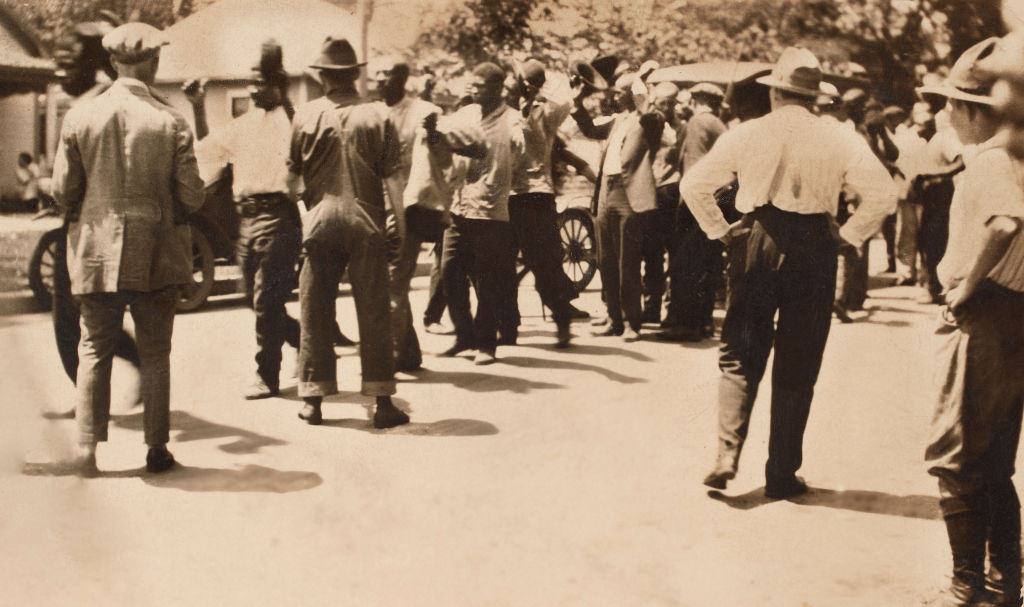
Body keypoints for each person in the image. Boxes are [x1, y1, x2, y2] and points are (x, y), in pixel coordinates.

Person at [680, 47, 896, 498]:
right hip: (815, 245)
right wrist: (850, 235)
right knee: (799, 360)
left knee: (741, 349)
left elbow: (693, 184)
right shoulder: (839, 136)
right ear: (814, 97)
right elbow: (883, 194)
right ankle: (781, 473)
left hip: (758, 236)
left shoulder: (748, 132)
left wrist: (721, 231)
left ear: (776, 92)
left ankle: (726, 453)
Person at [50, 22, 205, 476]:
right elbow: (193, 195)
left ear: (113, 62)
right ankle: (156, 447)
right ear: (154, 63)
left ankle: (87, 450)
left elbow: (63, 191)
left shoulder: (79, 117)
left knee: (93, 348)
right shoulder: (172, 118)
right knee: (156, 352)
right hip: (157, 250)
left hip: (96, 251)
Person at [918, 37, 1024, 607]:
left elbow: (1005, 223)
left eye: (952, 104)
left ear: (975, 110)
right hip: (1016, 313)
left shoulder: (990, 162)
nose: (946, 114)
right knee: (993, 459)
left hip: (984, 314)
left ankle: (967, 585)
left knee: (954, 455)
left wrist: (965, 288)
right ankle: (1007, 580)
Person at [288, 37, 408, 428]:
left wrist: (304, 220)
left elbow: (290, 182)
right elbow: (392, 179)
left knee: (314, 308)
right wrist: (400, 226)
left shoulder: (305, 116)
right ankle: (382, 402)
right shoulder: (379, 115)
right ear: (354, 76)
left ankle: (313, 400)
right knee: (373, 308)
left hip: (319, 219)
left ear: (323, 77)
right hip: (366, 219)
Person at [193, 39, 302, 400]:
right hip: (247, 219)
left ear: (279, 84)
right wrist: (196, 106)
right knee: (251, 298)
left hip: (279, 216)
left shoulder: (292, 121)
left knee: (265, 300)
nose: (254, 89)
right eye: (251, 82)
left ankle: (266, 375)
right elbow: (207, 148)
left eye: (263, 82)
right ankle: (306, 340)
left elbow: (288, 114)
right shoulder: (242, 125)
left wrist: (276, 71)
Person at [436, 62, 523, 365]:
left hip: (490, 209)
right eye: (471, 84)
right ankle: (464, 337)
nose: (473, 89)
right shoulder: (467, 113)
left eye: (480, 85)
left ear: (498, 89)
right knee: (449, 271)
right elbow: (445, 130)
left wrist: (519, 140)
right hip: (459, 205)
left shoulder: (512, 118)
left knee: (488, 280)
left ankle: (486, 343)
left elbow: (521, 138)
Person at [572, 71, 664, 342]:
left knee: (628, 261)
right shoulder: (618, 120)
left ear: (635, 93)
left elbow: (651, 120)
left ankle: (632, 322)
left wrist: (642, 95)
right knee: (606, 260)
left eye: (621, 91)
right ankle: (614, 319)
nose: (615, 96)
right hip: (606, 192)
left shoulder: (650, 120)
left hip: (628, 194)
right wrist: (578, 102)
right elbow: (589, 130)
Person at [374, 57, 446, 372]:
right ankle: (409, 352)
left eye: (386, 73)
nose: (379, 79)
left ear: (402, 79)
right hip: (377, 210)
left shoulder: (424, 112)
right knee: (390, 284)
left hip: (409, 211)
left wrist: (433, 134)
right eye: (376, 74)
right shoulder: (373, 113)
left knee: (393, 282)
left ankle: (392, 355)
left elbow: (441, 155)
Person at [507, 58, 577, 348]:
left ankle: (562, 319)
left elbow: (566, 103)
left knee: (545, 265)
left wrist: (537, 92)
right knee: (501, 265)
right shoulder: (503, 113)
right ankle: (507, 324)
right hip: (506, 194)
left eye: (518, 82)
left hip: (536, 194)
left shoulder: (544, 112)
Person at [660, 82, 727, 342]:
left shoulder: (698, 124)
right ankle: (704, 321)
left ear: (698, 99)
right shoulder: (718, 125)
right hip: (717, 202)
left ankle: (687, 325)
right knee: (709, 263)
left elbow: (697, 167)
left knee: (688, 263)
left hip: (697, 201)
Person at [641, 81, 683, 327]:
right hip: (651, 195)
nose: (666, 108)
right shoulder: (649, 125)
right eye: (661, 103)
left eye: (670, 103)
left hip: (672, 195)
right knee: (652, 255)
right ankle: (651, 307)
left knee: (675, 255)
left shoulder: (682, 128)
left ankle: (672, 310)